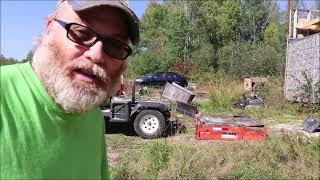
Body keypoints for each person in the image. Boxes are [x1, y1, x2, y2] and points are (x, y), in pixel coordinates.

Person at [0, 0, 139, 179]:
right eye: (81, 33)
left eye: (115, 46)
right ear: (49, 29)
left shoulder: (93, 116)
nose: (97, 55)